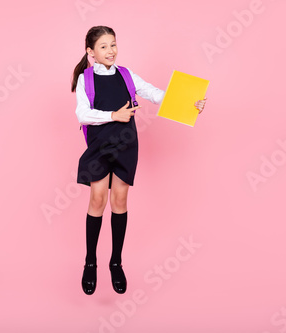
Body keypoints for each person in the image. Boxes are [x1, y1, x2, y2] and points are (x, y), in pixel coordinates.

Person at [71, 26, 206, 295]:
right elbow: (82, 115)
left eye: (113, 44)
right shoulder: (85, 80)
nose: (111, 50)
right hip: (99, 148)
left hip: (125, 147)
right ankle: (90, 262)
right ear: (91, 52)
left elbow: (155, 93)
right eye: (104, 47)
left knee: (119, 202)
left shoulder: (126, 74)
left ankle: (116, 261)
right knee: (97, 200)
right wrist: (114, 116)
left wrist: (190, 102)